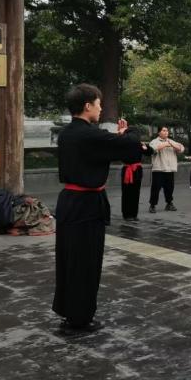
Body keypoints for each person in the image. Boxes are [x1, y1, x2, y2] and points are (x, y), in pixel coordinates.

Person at [53, 84, 144, 335]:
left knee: (68, 259)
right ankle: (80, 318)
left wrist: (119, 138)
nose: (101, 108)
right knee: (86, 262)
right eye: (98, 103)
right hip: (86, 205)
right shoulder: (89, 135)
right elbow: (131, 148)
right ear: (87, 106)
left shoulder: (66, 134)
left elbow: (114, 148)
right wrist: (129, 132)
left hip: (69, 201)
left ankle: (69, 310)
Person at [148, 126, 185, 213]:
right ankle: (152, 205)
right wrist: (165, 144)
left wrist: (171, 144)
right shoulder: (154, 141)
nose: (166, 132)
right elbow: (152, 149)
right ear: (159, 132)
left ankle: (169, 204)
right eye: (164, 130)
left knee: (169, 188)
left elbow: (181, 148)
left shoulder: (171, 141)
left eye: (167, 131)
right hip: (159, 169)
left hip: (170, 169)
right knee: (156, 188)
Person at [120, 126, 153, 222]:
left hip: (135, 169)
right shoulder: (124, 144)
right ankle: (129, 214)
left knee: (132, 193)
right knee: (130, 193)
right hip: (129, 169)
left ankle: (132, 214)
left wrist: (146, 147)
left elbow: (150, 152)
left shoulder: (138, 144)